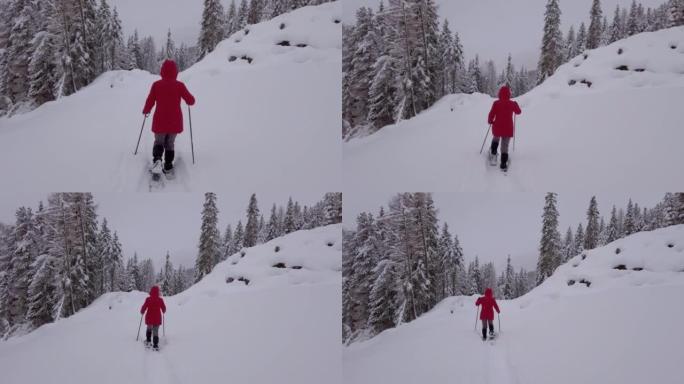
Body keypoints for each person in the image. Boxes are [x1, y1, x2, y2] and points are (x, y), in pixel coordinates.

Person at [142, 59, 196, 176]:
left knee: (159, 141)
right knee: (170, 143)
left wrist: (146, 110)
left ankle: (157, 161)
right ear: (175, 72)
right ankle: (168, 165)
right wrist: (189, 101)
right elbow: (191, 100)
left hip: (160, 120)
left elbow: (150, 100)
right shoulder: (180, 86)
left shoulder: (156, 85)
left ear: (162, 71)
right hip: (175, 121)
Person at [487, 85, 521, 171]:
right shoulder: (512, 103)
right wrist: (516, 105)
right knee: (505, 146)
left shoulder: (496, 103)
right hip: (508, 128)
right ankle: (503, 163)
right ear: (509, 94)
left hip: (497, 127)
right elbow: (518, 112)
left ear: (499, 94)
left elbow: (491, 114)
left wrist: (490, 120)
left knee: (496, 139)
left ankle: (494, 154)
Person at [140, 285, 166, 350]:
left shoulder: (148, 299)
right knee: (155, 331)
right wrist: (163, 311)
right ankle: (155, 345)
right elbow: (164, 308)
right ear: (158, 292)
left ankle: (148, 341)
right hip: (157, 318)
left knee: (149, 328)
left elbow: (144, 307)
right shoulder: (160, 300)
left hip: (149, 317)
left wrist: (142, 311)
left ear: (151, 291)